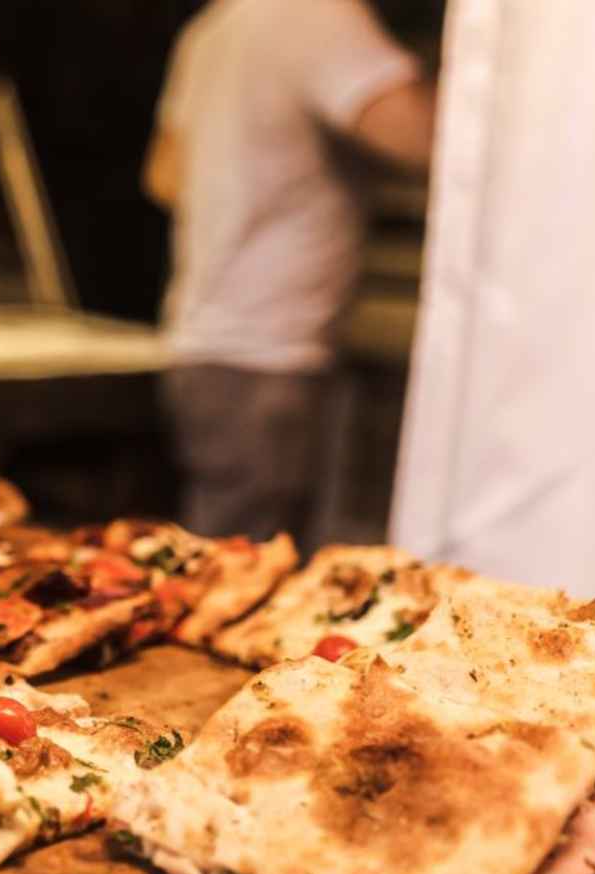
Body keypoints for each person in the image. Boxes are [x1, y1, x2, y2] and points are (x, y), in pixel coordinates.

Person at [144, 0, 436, 546]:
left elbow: (165, 176)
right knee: (244, 586)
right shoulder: (314, 13)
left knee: (220, 563)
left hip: (201, 343)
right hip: (269, 351)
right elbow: (425, 138)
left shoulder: (213, 28)